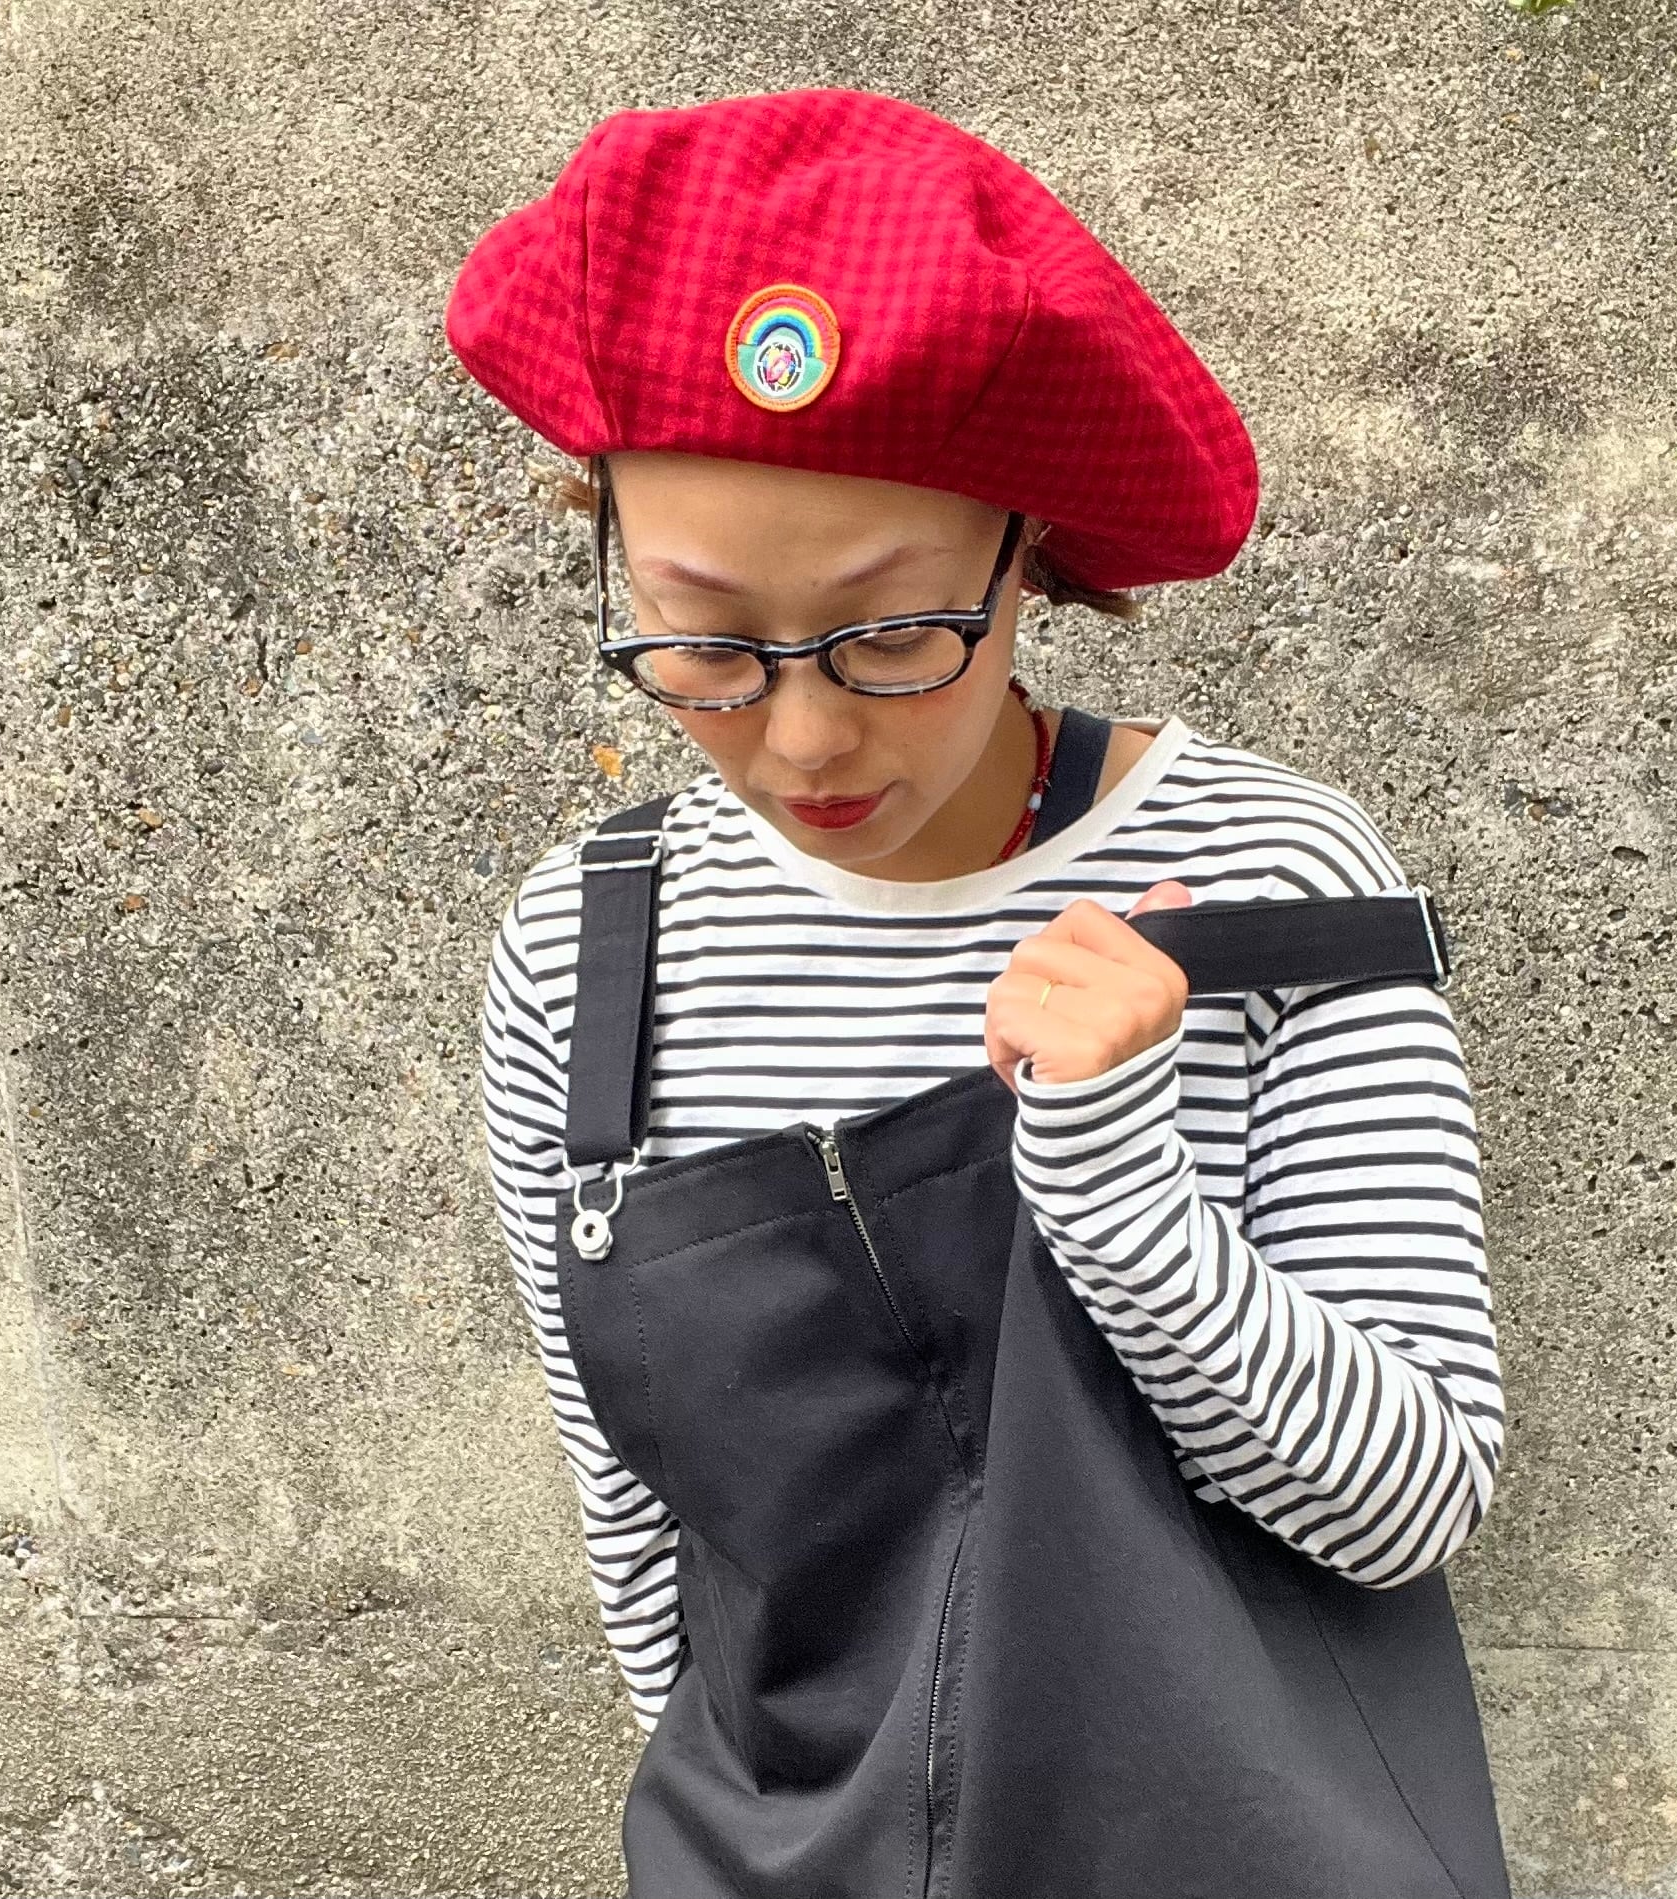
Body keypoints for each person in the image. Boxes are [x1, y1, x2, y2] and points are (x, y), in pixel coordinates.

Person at [458, 86, 1511, 1899]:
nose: (802, 738)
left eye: (890, 635)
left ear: (1028, 553)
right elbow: (649, 1541)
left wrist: (1112, 1183)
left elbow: (1410, 1504)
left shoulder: (1271, 878)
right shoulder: (587, 951)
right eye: (703, 640)